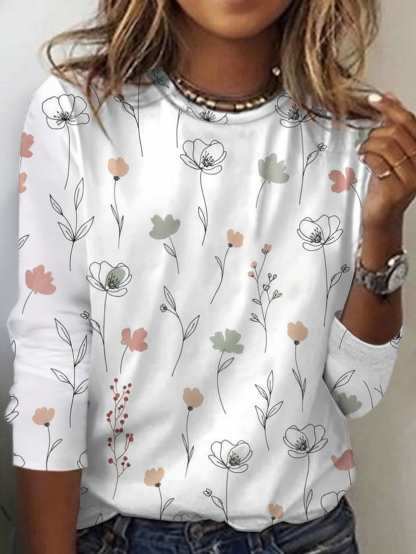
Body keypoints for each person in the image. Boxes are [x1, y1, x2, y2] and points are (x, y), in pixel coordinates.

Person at [4, 0, 415, 553]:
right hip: (116, 536)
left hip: (306, 536)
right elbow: (52, 356)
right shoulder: (76, 112)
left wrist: (384, 226)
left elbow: (356, 392)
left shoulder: (356, 138)